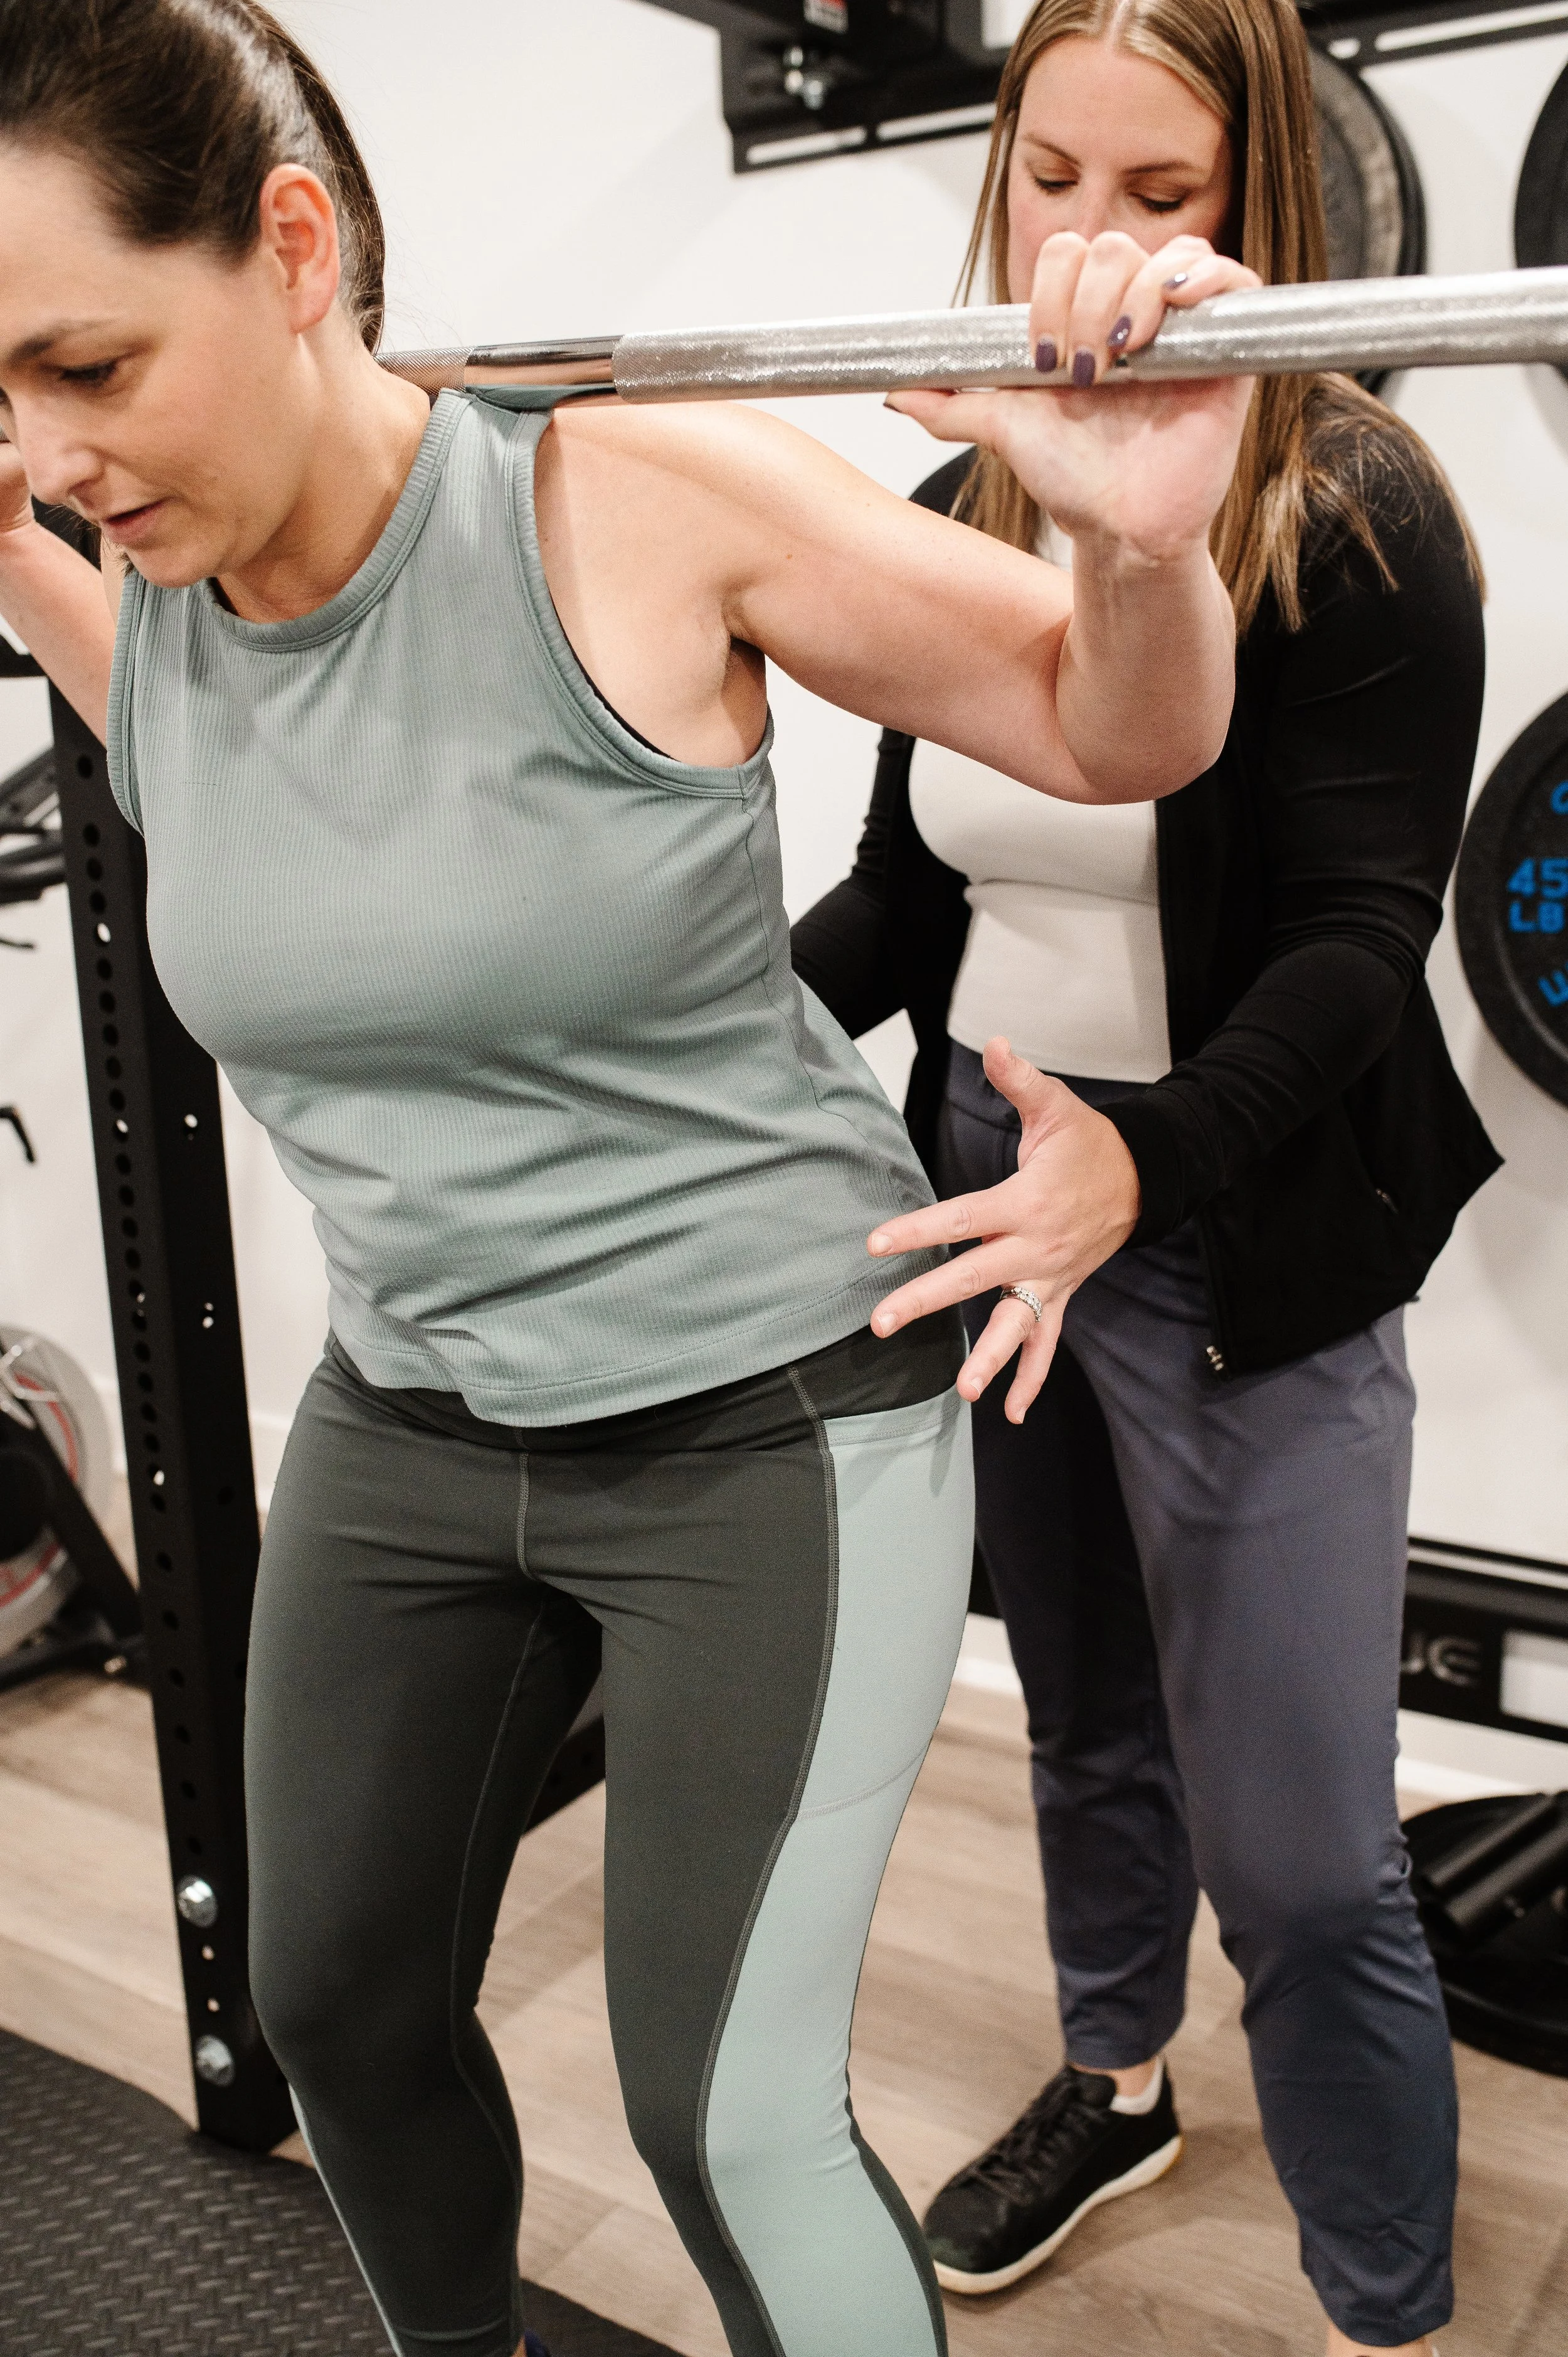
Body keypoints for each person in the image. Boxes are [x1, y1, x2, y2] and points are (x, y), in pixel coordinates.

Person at [0, 5, 1257, 2354]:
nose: (55, 456)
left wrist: (1138, 540)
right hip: (412, 1419)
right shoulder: (137, 595)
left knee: (725, 2105)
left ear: (290, 246)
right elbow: (130, 641)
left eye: (90, 361)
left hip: (762, 1423)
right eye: (3, 390)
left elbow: (1120, 727)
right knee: (337, 2003)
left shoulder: (621, 492)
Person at [792, 3, 1500, 2353]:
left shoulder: (1363, 509)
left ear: (1263, 209)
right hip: (1003, 1182)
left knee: (1304, 1855)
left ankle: (1386, 2290)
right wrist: (717, 1027)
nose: (1091, 247)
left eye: (1162, 194)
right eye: (1053, 179)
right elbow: (918, 895)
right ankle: (1116, 2087)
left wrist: (1145, 1170)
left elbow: (1356, 943)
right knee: (1081, 1715)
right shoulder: (951, 507)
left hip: (1240, 1210)